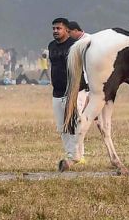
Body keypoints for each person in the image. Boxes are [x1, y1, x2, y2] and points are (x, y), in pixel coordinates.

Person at [49, 17, 83, 167]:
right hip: (57, 91)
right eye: (54, 28)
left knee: (75, 123)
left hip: (73, 90)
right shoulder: (51, 46)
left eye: (59, 28)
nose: (55, 31)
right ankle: (70, 154)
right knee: (62, 126)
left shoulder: (75, 46)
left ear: (66, 30)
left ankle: (75, 156)